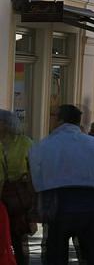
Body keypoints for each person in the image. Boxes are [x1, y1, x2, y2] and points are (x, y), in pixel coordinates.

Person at [29, 104, 94, 265]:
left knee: (56, 253)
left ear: (60, 120)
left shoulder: (44, 145)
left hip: (57, 206)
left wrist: (36, 204)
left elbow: (35, 176)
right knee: (91, 253)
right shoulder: (92, 143)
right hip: (88, 205)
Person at [0, 109, 34, 265]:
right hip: (12, 196)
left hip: (12, 197)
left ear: (6, 125)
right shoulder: (24, 142)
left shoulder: (24, 142)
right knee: (11, 235)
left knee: (16, 233)